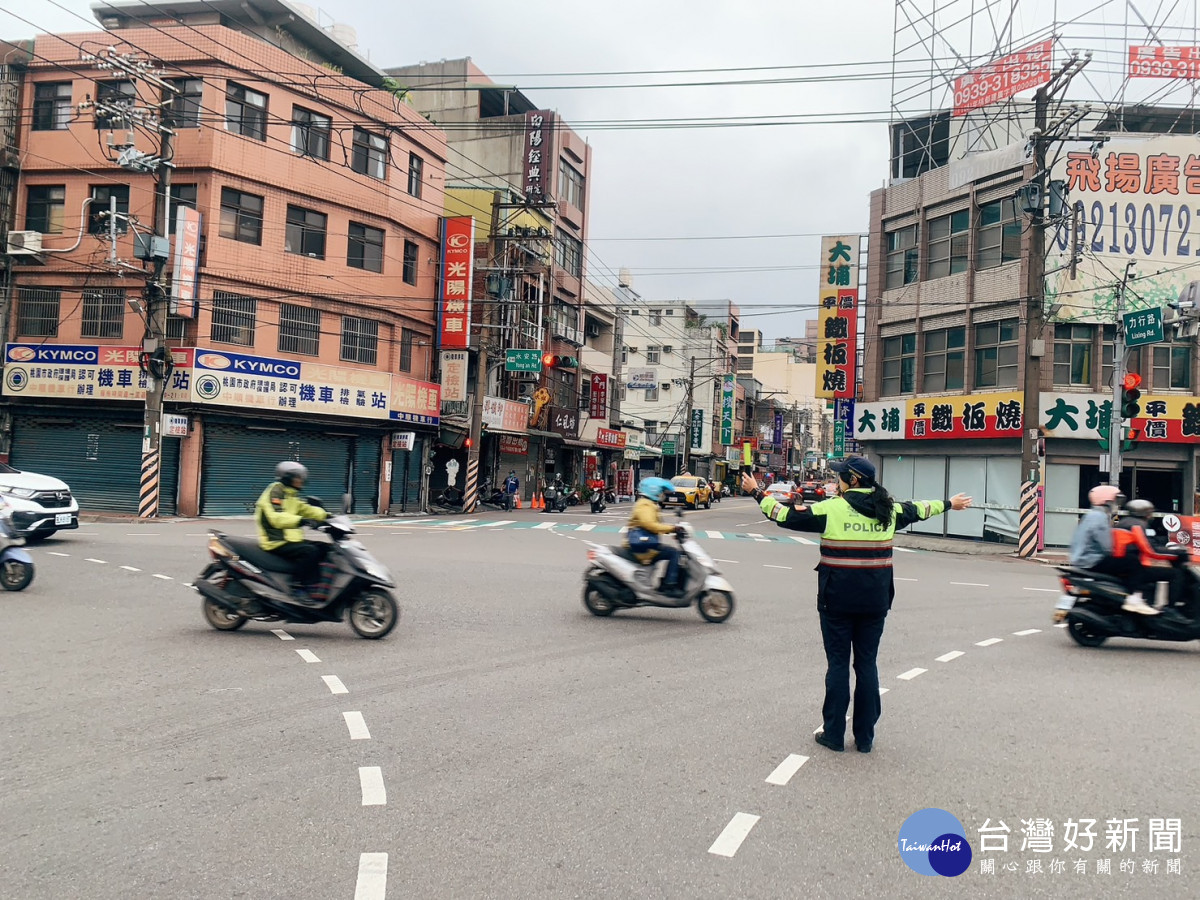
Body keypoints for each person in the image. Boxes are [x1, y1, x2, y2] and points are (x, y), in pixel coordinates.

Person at [742, 458, 972, 754]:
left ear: (851, 480)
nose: (836, 481)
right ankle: (864, 738)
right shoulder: (889, 509)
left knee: (838, 665)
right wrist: (949, 503)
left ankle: (834, 734)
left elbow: (784, 515)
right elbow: (920, 509)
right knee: (867, 665)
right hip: (875, 602)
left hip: (836, 600)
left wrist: (756, 491)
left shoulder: (832, 508)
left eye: (839, 476)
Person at [1068, 485, 1157, 615]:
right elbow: (1106, 545)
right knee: (1132, 562)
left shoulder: (1092, 515)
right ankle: (1134, 599)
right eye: (1116, 500)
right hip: (1092, 560)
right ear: (1107, 501)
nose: (1117, 504)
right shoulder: (1099, 517)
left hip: (1084, 558)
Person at [256, 461, 329, 602]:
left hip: (290, 539)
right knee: (310, 551)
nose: (301, 480)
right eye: (298, 477)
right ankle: (297, 587)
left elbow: (305, 508)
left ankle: (317, 584)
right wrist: (301, 520)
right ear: (287, 478)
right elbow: (276, 517)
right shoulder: (276, 491)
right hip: (275, 540)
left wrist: (328, 516)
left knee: (326, 548)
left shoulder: (291, 494)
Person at [625, 477, 684, 596]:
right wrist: (672, 528)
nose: (662, 494)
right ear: (654, 490)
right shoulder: (645, 505)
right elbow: (650, 525)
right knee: (673, 553)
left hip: (646, 543)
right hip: (642, 546)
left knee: (671, 552)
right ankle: (669, 585)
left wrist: (671, 529)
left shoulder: (649, 504)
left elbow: (656, 525)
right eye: (661, 491)